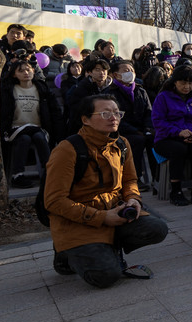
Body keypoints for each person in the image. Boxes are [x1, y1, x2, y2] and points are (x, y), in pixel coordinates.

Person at [44, 94, 168, 288]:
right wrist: (101, 217)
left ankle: (105, 247)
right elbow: (54, 201)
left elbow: (130, 180)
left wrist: (133, 199)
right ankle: (65, 254)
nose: (113, 118)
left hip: (115, 212)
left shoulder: (121, 144)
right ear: (85, 119)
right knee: (106, 276)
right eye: (105, 113)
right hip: (79, 221)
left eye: (117, 113)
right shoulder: (67, 150)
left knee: (158, 229)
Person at [150, 66, 192, 206]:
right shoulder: (163, 97)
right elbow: (158, 121)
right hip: (166, 138)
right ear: (175, 82)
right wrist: (178, 132)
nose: (187, 87)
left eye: (190, 83)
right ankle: (176, 190)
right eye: (183, 83)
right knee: (179, 150)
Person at [0, 59, 60, 186]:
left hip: (38, 127)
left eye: (28, 69)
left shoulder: (42, 88)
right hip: (16, 129)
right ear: (14, 74)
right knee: (24, 139)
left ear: (33, 70)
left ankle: (50, 173)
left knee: (39, 137)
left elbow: (54, 110)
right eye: (21, 71)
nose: (26, 73)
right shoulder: (8, 90)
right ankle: (17, 175)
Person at [103, 59, 155, 184]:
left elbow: (149, 112)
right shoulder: (110, 93)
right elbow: (114, 117)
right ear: (116, 74)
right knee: (136, 141)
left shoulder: (140, 91)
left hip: (142, 129)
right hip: (121, 131)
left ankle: (157, 176)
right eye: (126, 70)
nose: (130, 73)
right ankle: (134, 178)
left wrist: (147, 128)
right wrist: (135, 131)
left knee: (154, 139)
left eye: (132, 70)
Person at [66, 56, 112, 134]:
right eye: (97, 70)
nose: (101, 73)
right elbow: (76, 109)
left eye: (104, 70)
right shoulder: (81, 88)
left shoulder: (113, 88)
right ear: (90, 72)